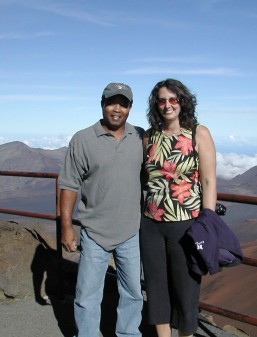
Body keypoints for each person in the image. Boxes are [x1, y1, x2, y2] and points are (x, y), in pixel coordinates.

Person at [58, 83, 144, 337]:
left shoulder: (140, 136)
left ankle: (128, 334)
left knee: (133, 293)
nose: (117, 109)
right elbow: (69, 185)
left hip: (131, 230)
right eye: (111, 102)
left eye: (123, 103)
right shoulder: (83, 139)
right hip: (94, 231)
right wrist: (67, 228)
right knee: (87, 295)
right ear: (102, 104)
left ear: (130, 108)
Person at [140, 79, 217, 337]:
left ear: (182, 102)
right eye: (162, 100)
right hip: (150, 223)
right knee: (155, 285)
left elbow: (208, 180)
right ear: (156, 104)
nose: (168, 105)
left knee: (186, 287)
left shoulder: (198, 133)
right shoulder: (149, 136)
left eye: (173, 99)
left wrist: (208, 221)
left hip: (186, 223)